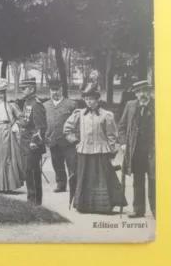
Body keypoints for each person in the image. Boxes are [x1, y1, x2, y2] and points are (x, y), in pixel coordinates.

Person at [63, 84, 127, 214]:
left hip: (101, 152)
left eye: (91, 99)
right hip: (84, 151)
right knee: (84, 177)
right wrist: (75, 141)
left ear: (97, 99)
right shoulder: (79, 114)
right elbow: (67, 129)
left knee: (102, 178)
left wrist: (111, 152)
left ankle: (103, 206)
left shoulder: (106, 115)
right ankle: (84, 206)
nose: (88, 101)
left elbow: (112, 136)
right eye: (86, 99)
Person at [118, 80, 155, 219]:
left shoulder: (159, 105)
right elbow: (121, 127)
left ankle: (156, 210)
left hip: (153, 151)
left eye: (145, 90)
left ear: (150, 91)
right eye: (139, 92)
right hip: (136, 150)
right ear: (135, 94)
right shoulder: (130, 105)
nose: (142, 94)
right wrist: (123, 143)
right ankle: (138, 210)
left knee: (154, 180)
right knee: (138, 181)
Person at [43, 78, 78, 196]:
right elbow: (43, 123)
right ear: (50, 91)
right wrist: (46, 137)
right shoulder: (45, 106)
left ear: (61, 89)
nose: (55, 92)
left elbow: (77, 123)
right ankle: (61, 184)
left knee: (72, 163)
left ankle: (75, 186)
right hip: (53, 140)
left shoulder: (71, 104)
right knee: (57, 163)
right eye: (52, 90)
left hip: (68, 141)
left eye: (57, 90)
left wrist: (75, 138)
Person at [16, 77, 48, 205]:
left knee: (32, 170)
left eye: (24, 88)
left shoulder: (36, 104)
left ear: (32, 89)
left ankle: (35, 200)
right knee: (28, 170)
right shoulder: (28, 102)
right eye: (22, 88)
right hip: (25, 142)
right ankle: (31, 198)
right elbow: (27, 120)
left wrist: (34, 142)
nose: (22, 91)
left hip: (32, 143)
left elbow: (40, 126)